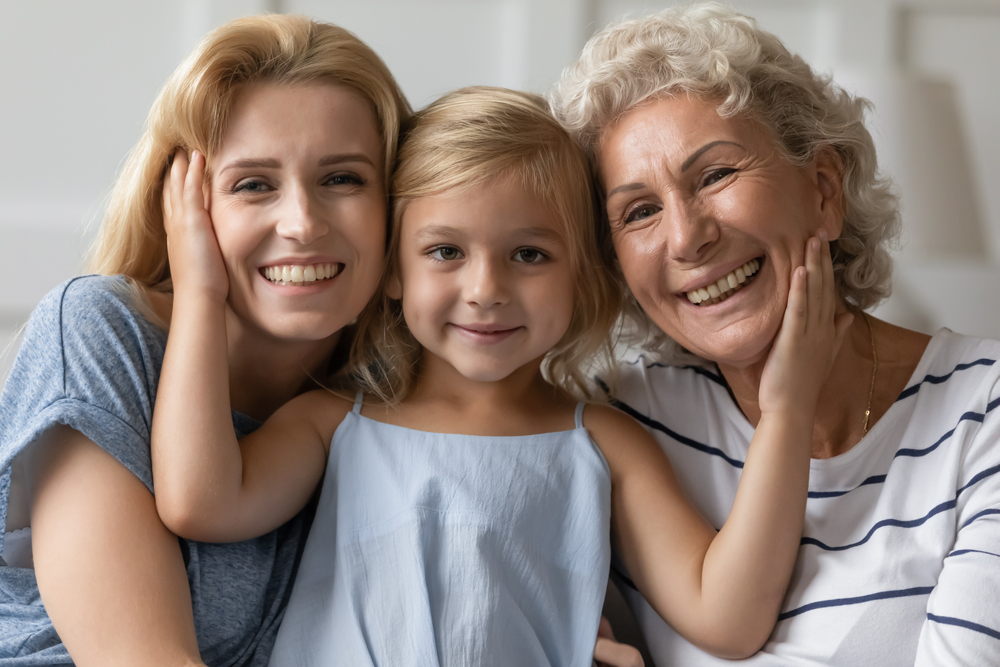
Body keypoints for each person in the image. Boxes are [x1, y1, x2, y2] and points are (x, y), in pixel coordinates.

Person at [151, 85, 850, 666]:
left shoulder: (603, 442)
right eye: (446, 251)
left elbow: (728, 616)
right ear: (394, 268)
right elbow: (200, 502)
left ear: (581, 275)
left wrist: (784, 412)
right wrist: (201, 294)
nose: (486, 288)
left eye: (530, 254)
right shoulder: (334, 421)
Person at [551, 3, 1000, 665]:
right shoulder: (615, 423)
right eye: (638, 211)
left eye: (716, 175)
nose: (687, 236)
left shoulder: (983, 408)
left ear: (823, 190)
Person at [0, 15, 409, 666]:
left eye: (343, 179)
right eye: (254, 184)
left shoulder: (388, 399)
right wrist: (200, 295)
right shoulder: (97, 333)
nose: (302, 223)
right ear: (183, 203)